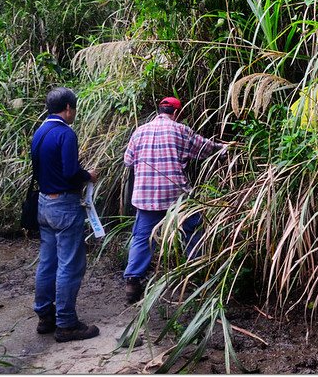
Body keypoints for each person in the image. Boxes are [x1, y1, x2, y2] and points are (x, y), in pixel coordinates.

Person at [123, 96, 228, 303]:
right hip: (176, 196)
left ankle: (132, 282)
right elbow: (206, 149)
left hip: (145, 197)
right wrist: (225, 149)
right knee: (193, 229)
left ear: (159, 110)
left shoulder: (139, 131)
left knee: (143, 239)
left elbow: (128, 161)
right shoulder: (181, 130)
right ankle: (197, 273)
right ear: (177, 113)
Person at [31, 87, 100, 342]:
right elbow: (71, 171)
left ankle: (45, 316)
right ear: (68, 108)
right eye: (74, 109)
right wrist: (88, 176)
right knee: (70, 264)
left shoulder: (39, 132)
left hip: (43, 204)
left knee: (47, 262)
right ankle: (67, 323)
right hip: (63, 205)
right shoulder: (65, 134)